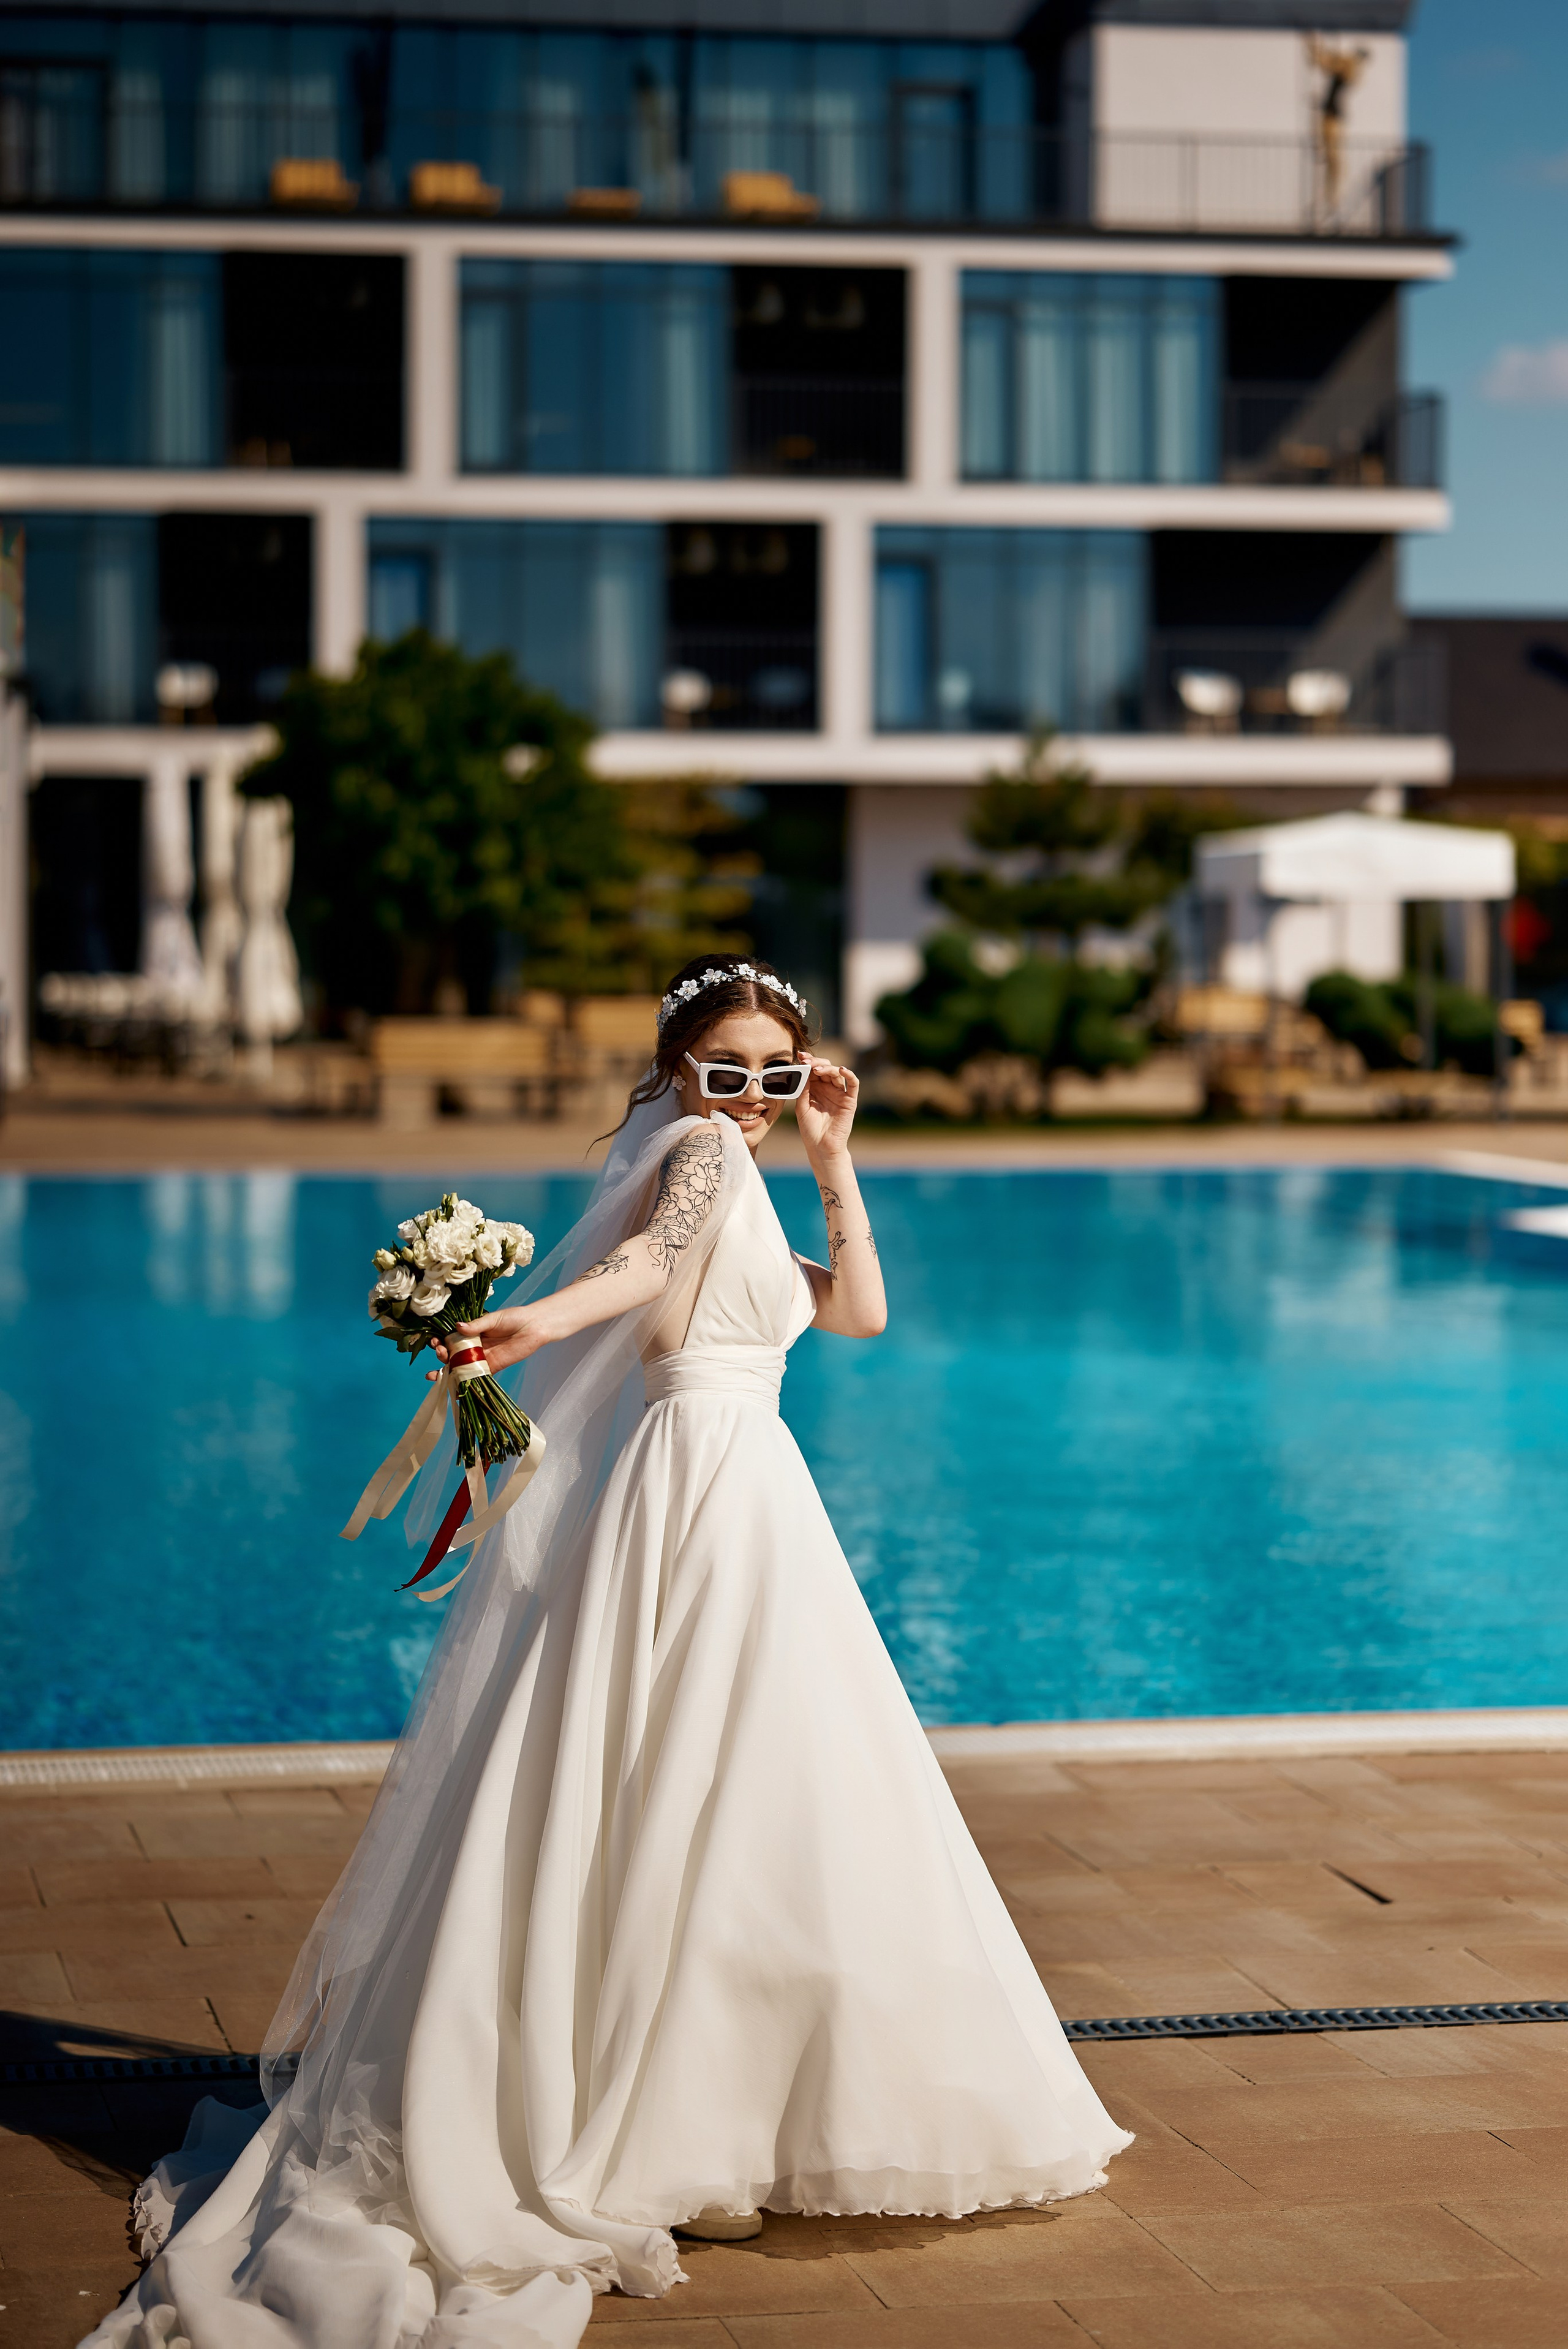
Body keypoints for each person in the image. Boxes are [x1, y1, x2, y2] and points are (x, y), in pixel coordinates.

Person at [85, 954, 1131, 2349]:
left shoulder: (750, 1166)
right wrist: (534, 1319)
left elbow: (860, 1312)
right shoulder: (695, 1152)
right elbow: (641, 1266)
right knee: (704, 1786)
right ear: (674, 1073)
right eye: (725, 1070)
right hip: (699, 1485)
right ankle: (663, 2124)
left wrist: (833, 1154)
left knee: (726, 1790)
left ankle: (705, 2110)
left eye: (776, 1073)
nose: (748, 1096)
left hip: (746, 1491)